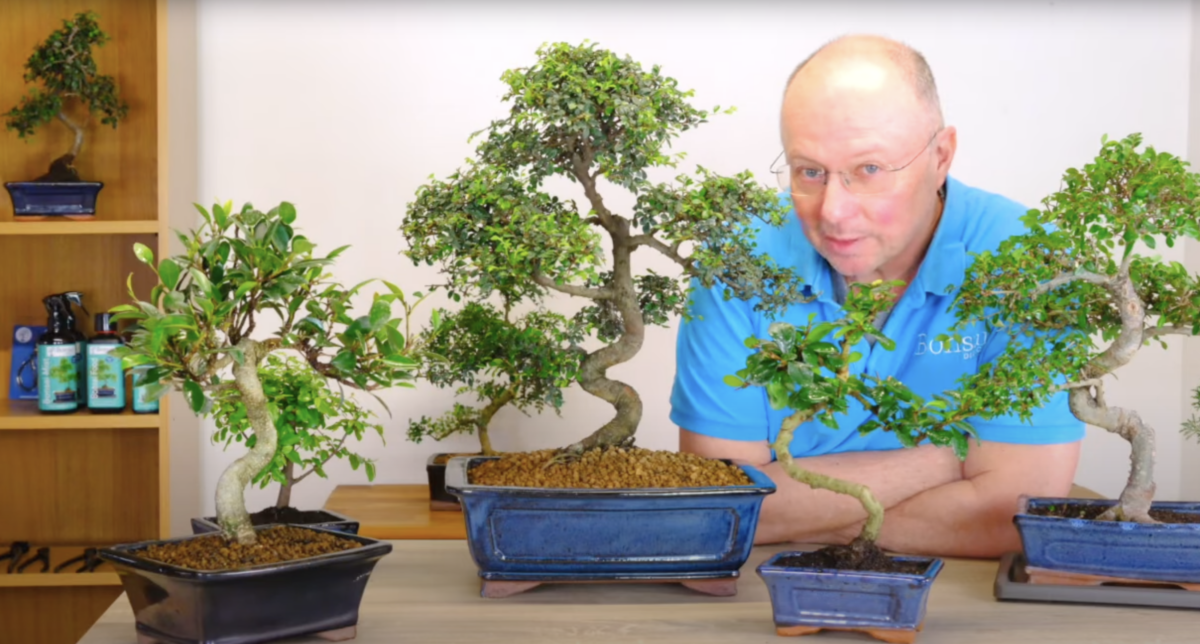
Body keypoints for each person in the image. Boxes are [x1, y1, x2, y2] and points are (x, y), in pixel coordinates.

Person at [670, 34, 1084, 559]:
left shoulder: (1031, 260)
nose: (833, 211)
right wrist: (948, 457)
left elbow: (1008, 518)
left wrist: (796, 514)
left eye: (868, 170)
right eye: (809, 171)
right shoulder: (737, 258)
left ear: (940, 156)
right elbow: (718, 507)